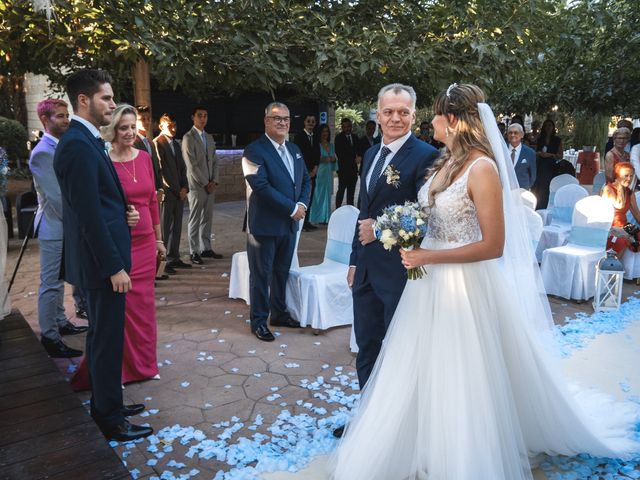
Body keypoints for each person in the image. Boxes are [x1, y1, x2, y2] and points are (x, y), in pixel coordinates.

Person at [330, 84, 640, 480]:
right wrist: (397, 231)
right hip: (427, 283)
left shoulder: (483, 168)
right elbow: (426, 214)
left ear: (454, 120)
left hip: (461, 283)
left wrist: (427, 255)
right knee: (418, 363)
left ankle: (458, 447)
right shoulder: (447, 162)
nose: (431, 122)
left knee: (459, 368)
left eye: (436, 116)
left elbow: (493, 245)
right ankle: (417, 434)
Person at [337, 84, 439, 440]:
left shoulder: (427, 155)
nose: (395, 118)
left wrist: (379, 230)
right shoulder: (369, 153)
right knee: (367, 345)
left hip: (400, 271)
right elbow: (363, 212)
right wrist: (353, 259)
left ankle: (396, 429)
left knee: (399, 349)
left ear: (415, 115)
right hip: (364, 269)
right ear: (377, 114)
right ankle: (368, 417)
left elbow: (430, 216)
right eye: (388, 111)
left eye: (403, 112)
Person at [54, 69, 151, 441]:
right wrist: (114, 267)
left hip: (104, 258)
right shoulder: (78, 144)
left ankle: (109, 401)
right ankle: (109, 418)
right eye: (106, 98)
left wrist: (123, 212)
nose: (112, 104)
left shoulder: (87, 140)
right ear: (84, 100)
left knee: (103, 339)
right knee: (107, 340)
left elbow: (100, 202)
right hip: (102, 265)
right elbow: (87, 216)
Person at [71, 103, 164, 390]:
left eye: (132, 126)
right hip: (120, 243)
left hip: (147, 243)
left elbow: (152, 201)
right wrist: (124, 218)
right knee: (121, 311)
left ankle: (145, 365)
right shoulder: (104, 159)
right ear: (112, 130)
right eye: (123, 127)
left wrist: (160, 240)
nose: (129, 132)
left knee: (145, 307)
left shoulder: (146, 157)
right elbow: (98, 207)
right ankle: (119, 370)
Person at [241, 102, 311, 342]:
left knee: (281, 272)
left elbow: (305, 181)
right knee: (261, 275)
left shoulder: (294, 149)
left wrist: (301, 205)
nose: (282, 122)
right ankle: (259, 321)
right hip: (264, 226)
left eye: (286, 118)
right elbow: (259, 186)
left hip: (289, 226)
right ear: (266, 121)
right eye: (276, 118)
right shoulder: (253, 150)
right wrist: (291, 208)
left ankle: (279, 313)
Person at [29, 98, 88, 358]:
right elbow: (57, 199)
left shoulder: (61, 146)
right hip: (54, 227)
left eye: (67, 115)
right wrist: (82, 225)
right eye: (60, 116)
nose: (66, 120)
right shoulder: (43, 152)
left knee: (60, 280)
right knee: (50, 284)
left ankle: (61, 322)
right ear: (45, 120)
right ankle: (50, 338)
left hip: (64, 225)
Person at [182, 106, 221, 263]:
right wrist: (206, 183)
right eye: (199, 116)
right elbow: (191, 165)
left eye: (205, 115)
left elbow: (215, 161)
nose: (203, 119)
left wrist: (215, 181)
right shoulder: (188, 137)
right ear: (193, 117)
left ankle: (206, 248)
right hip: (197, 186)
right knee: (195, 219)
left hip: (211, 185)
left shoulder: (209, 137)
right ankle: (194, 251)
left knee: (207, 218)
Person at [154, 113, 191, 274]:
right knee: (164, 228)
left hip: (180, 193)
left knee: (177, 227)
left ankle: (174, 256)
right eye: (170, 125)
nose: (174, 128)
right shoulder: (158, 143)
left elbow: (183, 168)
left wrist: (185, 187)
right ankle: (164, 261)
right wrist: (176, 189)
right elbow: (161, 171)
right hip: (168, 193)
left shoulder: (176, 144)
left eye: (175, 125)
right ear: (161, 126)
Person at [602, 162, 640, 258]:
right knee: (622, 240)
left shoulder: (629, 192)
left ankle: (631, 271)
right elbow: (619, 205)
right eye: (626, 176)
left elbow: (637, 214)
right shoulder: (608, 189)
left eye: (631, 176)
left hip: (623, 226)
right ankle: (614, 267)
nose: (629, 179)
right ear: (617, 175)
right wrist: (619, 188)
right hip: (609, 226)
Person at [294, 114, 319, 232]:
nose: (310, 123)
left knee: (310, 197)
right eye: (308, 121)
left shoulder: (316, 136)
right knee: (301, 196)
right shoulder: (299, 137)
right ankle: (300, 222)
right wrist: (306, 172)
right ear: (304, 122)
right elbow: (298, 155)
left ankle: (307, 221)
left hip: (313, 173)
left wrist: (315, 169)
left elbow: (317, 154)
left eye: (313, 121)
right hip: (302, 173)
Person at [308, 124, 337, 223]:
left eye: (327, 131)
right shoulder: (316, 145)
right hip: (319, 172)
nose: (325, 133)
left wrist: (333, 159)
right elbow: (314, 158)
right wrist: (323, 159)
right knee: (317, 195)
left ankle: (326, 218)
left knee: (327, 194)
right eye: (323, 131)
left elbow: (334, 159)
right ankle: (315, 217)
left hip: (328, 173)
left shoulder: (331, 145)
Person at [531, 118, 563, 209]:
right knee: (538, 187)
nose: (548, 127)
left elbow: (560, 155)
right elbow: (535, 152)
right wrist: (540, 154)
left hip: (550, 166)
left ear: (553, 127)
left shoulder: (557, 140)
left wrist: (549, 155)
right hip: (540, 165)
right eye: (546, 126)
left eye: (550, 125)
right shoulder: (540, 139)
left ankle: (545, 206)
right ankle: (536, 206)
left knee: (547, 187)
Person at [334, 118, 359, 208]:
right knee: (341, 191)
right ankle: (337, 210)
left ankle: (350, 213)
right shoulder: (338, 138)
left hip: (353, 170)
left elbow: (358, 151)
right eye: (344, 127)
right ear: (342, 127)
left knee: (351, 194)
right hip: (343, 170)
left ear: (351, 126)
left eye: (348, 126)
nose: (347, 129)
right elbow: (339, 153)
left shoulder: (355, 137)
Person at [506, 122, 537, 189]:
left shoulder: (530, 153)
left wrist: (526, 187)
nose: (513, 135)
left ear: (522, 134)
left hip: (522, 190)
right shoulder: (502, 150)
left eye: (516, 132)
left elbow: (533, 175)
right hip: (505, 189)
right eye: (510, 133)